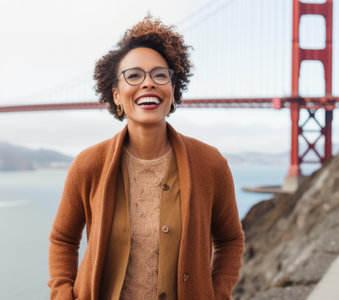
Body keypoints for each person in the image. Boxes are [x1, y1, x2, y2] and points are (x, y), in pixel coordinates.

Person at [48, 15, 244, 300]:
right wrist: (63, 295)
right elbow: (63, 239)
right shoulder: (88, 165)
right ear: (116, 95)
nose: (148, 83)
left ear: (173, 90)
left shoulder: (210, 164)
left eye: (160, 75)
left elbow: (230, 240)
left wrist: (216, 294)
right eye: (134, 76)